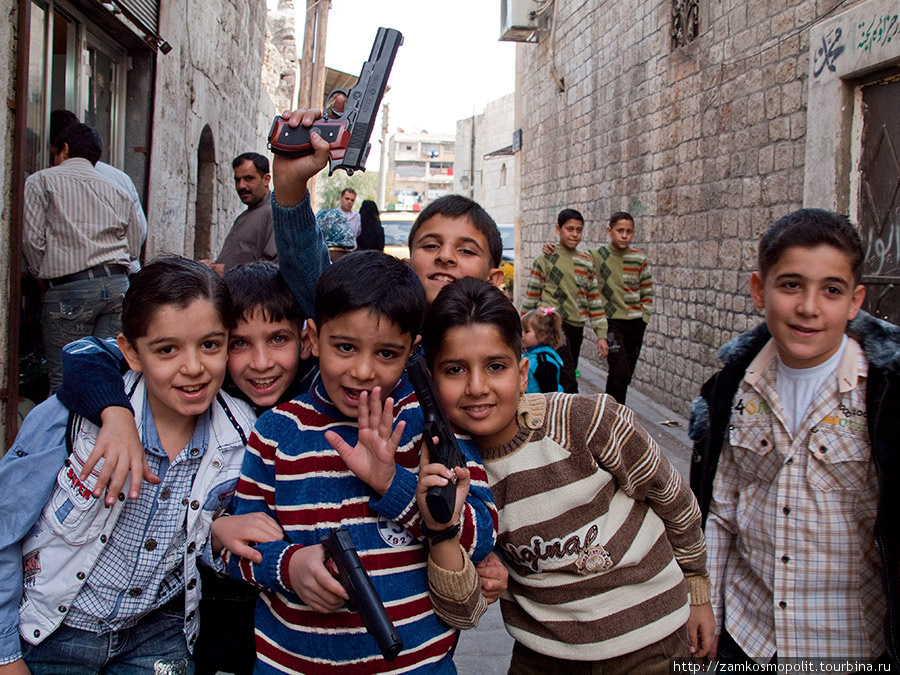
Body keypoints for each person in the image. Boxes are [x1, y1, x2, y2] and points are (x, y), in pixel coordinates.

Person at [217, 252, 497, 674]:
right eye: (345, 347)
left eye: (386, 353)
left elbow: (481, 536)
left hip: (415, 665)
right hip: (290, 664)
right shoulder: (276, 433)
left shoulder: (430, 425)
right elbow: (234, 551)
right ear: (312, 338)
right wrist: (288, 567)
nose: (363, 371)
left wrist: (393, 484)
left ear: (411, 352)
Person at [421, 278, 714, 672]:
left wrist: (697, 588)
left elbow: (674, 499)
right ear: (431, 380)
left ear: (522, 373)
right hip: (545, 654)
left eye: (495, 366)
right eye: (455, 369)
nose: (477, 387)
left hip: (652, 641)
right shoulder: (452, 473)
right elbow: (464, 611)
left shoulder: (587, 422)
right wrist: (446, 533)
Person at [0, 256, 267, 674]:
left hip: (156, 634)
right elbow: (4, 529)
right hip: (54, 632)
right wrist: (6, 655)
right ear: (130, 352)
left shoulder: (241, 436)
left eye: (210, 345)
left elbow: (203, 540)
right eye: (166, 349)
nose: (193, 367)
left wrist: (218, 535)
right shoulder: (72, 419)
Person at [689, 209, 900, 665]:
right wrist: (703, 600)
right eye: (790, 285)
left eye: (831, 290)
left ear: (855, 300)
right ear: (759, 289)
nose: (809, 306)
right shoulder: (731, 390)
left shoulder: (885, 399)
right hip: (749, 640)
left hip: (849, 644)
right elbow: (721, 510)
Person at [23, 122, 143, 392]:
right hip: (116, 288)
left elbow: (31, 240)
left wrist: (42, 277)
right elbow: (134, 245)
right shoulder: (118, 188)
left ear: (64, 150)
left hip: (70, 289)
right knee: (108, 372)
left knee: (66, 379)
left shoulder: (42, 180)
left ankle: (67, 435)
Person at [49, 110, 148, 275]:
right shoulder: (118, 177)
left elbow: (33, 239)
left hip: (72, 278)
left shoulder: (47, 179)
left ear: (64, 149)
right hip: (122, 274)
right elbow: (140, 232)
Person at [523, 209, 607, 393]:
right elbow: (532, 296)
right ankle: (569, 414)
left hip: (577, 325)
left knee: (564, 370)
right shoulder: (546, 259)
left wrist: (601, 334)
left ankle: (556, 410)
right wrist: (521, 328)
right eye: (570, 229)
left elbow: (594, 300)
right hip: (551, 324)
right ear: (558, 229)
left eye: (579, 229)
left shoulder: (586, 262)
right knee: (568, 377)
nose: (574, 234)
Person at [591, 212, 653, 404]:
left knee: (626, 375)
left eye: (629, 232)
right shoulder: (598, 256)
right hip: (612, 323)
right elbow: (572, 256)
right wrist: (551, 249)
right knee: (619, 370)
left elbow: (647, 290)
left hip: (635, 323)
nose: (624, 235)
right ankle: (613, 415)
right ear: (610, 231)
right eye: (620, 231)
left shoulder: (638, 259)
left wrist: (644, 317)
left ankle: (615, 410)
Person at [205, 153, 278, 274]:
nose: (241, 186)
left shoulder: (272, 213)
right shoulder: (244, 216)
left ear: (266, 180)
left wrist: (226, 271)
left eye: (248, 179)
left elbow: (272, 268)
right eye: (237, 180)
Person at [521, 307, 564, 393]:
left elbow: (549, 394)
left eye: (526, 331)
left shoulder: (544, 362)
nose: (521, 334)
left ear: (542, 336)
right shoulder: (532, 353)